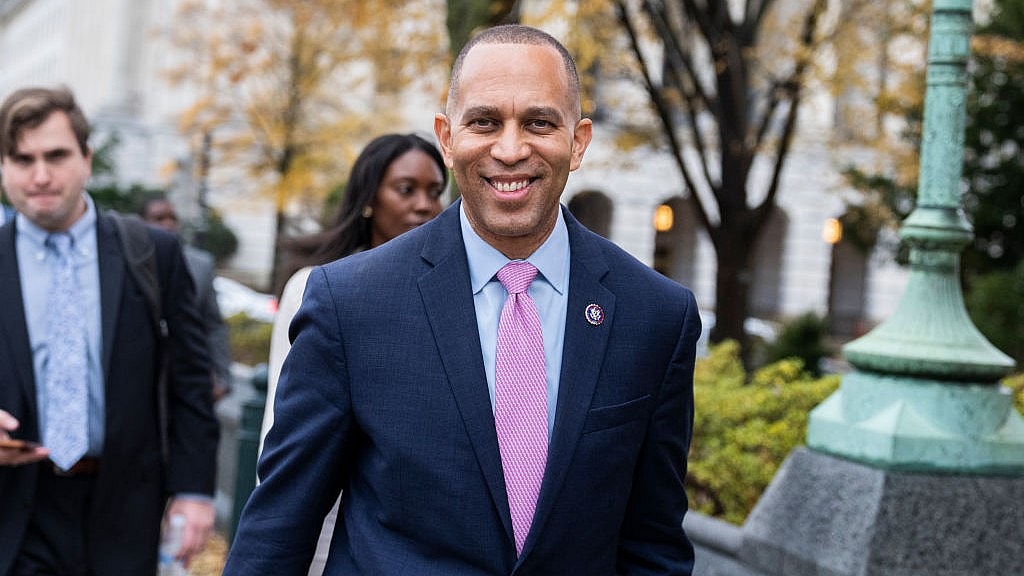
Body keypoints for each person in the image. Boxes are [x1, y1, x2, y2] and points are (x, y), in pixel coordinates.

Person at [224, 24, 700, 574]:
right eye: (485, 122)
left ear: (579, 140)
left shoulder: (656, 316)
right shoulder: (349, 303)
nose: (511, 149)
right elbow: (279, 527)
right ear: (447, 138)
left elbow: (654, 544)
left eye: (540, 123)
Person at [0, 86, 219, 574]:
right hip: (14, 514)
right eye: (22, 159)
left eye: (56, 155)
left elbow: (190, 380)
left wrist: (195, 490)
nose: (40, 176)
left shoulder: (152, 253)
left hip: (125, 509)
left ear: (87, 159)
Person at [261, 132, 446, 575]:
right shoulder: (313, 288)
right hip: (329, 527)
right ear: (369, 198)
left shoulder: (452, 295)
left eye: (436, 192)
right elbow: (281, 429)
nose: (423, 204)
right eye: (406, 189)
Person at [140, 194, 234, 402]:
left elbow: (213, 325)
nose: (168, 224)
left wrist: (222, 378)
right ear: (141, 222)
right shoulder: (127, 261)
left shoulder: (201, 264)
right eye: (159, 218)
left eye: (173, 218)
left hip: (186, 381)